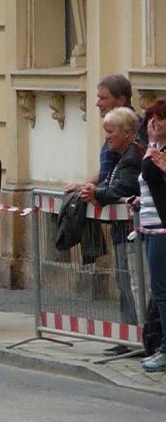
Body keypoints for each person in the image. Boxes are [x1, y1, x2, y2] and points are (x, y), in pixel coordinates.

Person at [69, 107, 142, 355]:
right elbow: (110, 184)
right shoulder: (119, 156)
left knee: (134, 284)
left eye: (111, 132)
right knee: (124, 282)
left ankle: (140, 337)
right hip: (122, 230)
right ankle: (129, 335)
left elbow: (121, 189)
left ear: (128, 133)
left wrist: (96, 194)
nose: (107, 137)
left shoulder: (132, 157)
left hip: (132, 231)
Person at [139, 100, 166, 372]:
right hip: (151, 227)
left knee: (162, 293)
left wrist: (152, 144)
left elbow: (151, 174)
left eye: (159, 119)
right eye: (149, 119)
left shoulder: (159, 153)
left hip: (161, 229)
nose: (153, 124)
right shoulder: (156, 151)